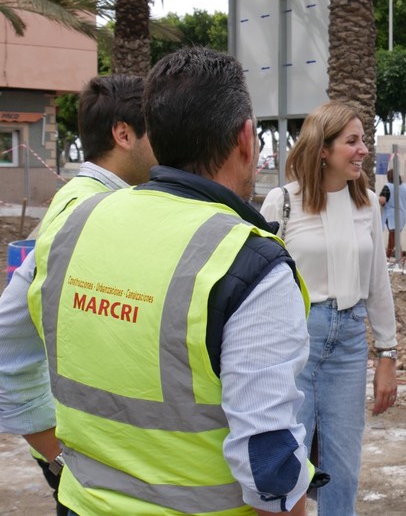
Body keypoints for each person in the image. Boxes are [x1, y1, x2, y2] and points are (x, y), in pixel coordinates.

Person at [26, 47, 316, 515]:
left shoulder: (73, 225)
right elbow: (267, 462)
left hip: (81, 504)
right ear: (246, 139)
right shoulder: (249, 264)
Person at [0, 74, 155, 516]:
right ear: (123, 134)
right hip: (89, 469)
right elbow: (7, 342)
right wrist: (58, 457)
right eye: (158, 128)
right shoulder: (91, 213)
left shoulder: (89, 200)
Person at [260, 101, 398, 516]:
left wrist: (387, 354)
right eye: (351, 142)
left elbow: (378, 283)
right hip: (295, 339)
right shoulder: (283, 202)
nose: (362, 151)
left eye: (363, 141)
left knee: (343, 466)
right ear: (323, 148)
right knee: (289, 460)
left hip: (350, 341)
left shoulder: (368, 203)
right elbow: (260, 284)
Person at [379, 168, 406, 259]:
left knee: (393, 237)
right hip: (401, 215)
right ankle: (395, 258)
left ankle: (389, 257)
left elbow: (382, 200)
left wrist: (380, 202)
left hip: (390, 215)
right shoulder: (405, 187)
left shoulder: (387, 186)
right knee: (395, 237)